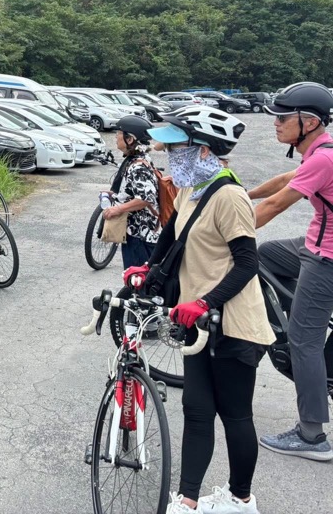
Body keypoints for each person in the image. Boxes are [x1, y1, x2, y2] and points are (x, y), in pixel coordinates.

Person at [126, 106, 273, 514]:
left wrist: (205, 301)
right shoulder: (191, 188)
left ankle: (241, 498)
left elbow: (248, 263)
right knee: (196, 410)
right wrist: (149, 268)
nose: (169, 158)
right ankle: (187, 501)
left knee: (235, 415)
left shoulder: (229, 196)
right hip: (196, 322)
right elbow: (172, 234)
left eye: (178, 150)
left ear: (205, 152)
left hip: (233, 323)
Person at [249, 82, 333, 462]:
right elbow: (283, 183)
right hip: (312, 242)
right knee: (267, 254)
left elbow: (278, 205)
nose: (276, 123)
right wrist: (239, 192)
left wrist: (221, 232)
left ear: (310, 121)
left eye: (283, 118)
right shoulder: (319, 151)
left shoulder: (324, 159)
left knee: (303, 339)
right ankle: (301, 308)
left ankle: (311, 435)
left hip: (327, 257)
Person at [101, 115, 162, 269]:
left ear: (130, 139)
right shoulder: (137, 159)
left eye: (119, 133)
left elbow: (145, 198)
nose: (116, 136)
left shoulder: (138, 166)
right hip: (136, 234)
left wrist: (118, 208)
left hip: (140, 237)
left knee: (138, 283)